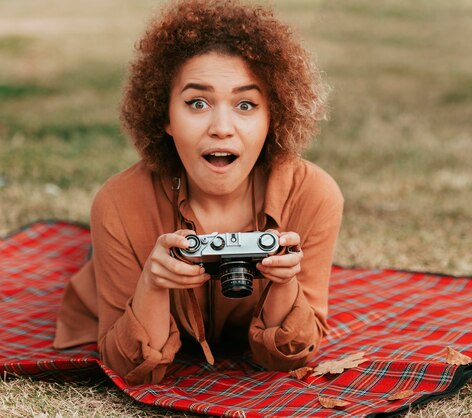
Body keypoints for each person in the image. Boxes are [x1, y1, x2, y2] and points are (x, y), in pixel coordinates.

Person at [53, 0, 343, 385]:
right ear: (165, 116)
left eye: (245, 104)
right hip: (126, 263)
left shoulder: (313, 195)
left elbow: (291, 354)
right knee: (93, 262)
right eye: (197, 103)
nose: (222, 128)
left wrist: (285, 281)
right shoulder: (119, 203)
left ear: (274, 116)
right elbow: (129, 365)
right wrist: (153, 284)